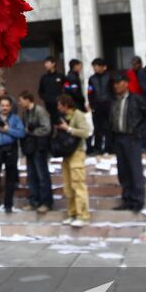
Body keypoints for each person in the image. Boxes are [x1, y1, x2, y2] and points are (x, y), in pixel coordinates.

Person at [108, 72, 146, 212]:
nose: (116, 86)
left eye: (119, 83)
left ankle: (138, 201)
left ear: (126, 84)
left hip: (132, 138)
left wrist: (141, 131)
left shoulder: (136, 99)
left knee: (135, 170)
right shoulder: (114, 100)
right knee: (123, 171)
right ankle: (127, 199)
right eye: (114, 83)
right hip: (118, 138)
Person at [54, 94, 92, 227]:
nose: (58, 107)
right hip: (66, 153)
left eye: (60, 105)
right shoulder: (63, 117)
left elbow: (85, 132)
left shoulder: (78, 115)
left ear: (65, 105)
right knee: (68, 186)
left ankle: (83, 215)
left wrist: (68, 129)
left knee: (78, 184)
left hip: (77, 152)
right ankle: (72, 213)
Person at [17, 92, 52, 213]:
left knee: (42, 175)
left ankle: (46, 202)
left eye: (21, 100)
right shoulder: (25, 113)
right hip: (30, 147)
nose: (20, 103)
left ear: (28, 100)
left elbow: (46, 128)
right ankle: (34, 201)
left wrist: (31, 132)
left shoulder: (40, 111)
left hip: (39, 147)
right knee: (31, 176)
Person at [86, 58, 112, 156]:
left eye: (96, 66)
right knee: (97, 128)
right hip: (97, 106)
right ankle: (98, 148)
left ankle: (108, 147)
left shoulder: (109, 77)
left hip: (108, 105)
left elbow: (112, 91)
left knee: (108, 127)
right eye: (93, 66)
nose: (95, 68)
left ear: (102, 67)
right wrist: (91, 104)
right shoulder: (92, 79)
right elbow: (89, 92)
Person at [38, 58, 65, 127]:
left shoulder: (61, 76)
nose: (45, 65)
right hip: (49, 106)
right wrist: (46, 98)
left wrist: (62, 99)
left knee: (61, 122)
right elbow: (40, 91)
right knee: (50, 123)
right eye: (45, 63)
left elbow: (66, 89)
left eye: (47, 63)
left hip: (60, 105)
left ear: (53, 64)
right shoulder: (44, 78)